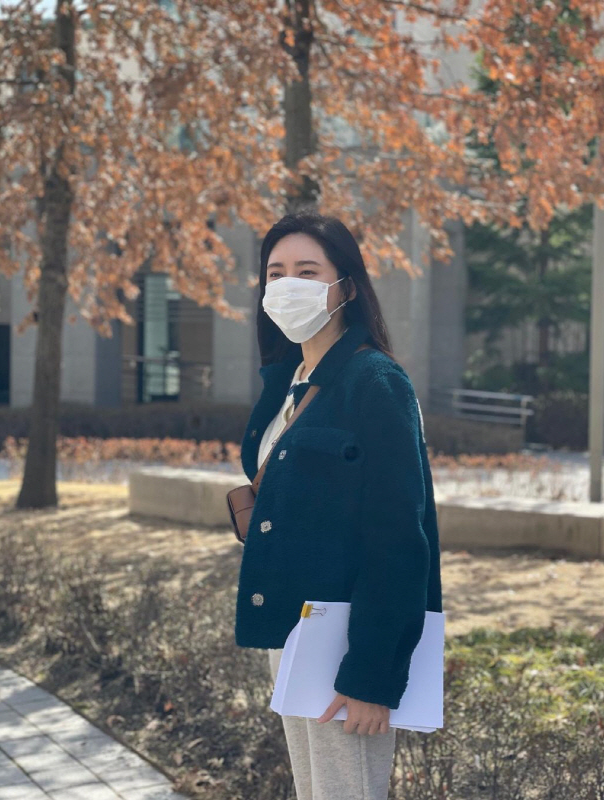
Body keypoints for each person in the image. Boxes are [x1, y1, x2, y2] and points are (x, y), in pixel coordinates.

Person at [234, 209, 443, 800]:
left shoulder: (375, 382)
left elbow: (399, 539)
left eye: (307, 271)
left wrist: (372, 675)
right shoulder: (289, 381)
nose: (287, 285)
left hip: (346, 644)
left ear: (346, 287)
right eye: (276, 273)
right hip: (292, 632)